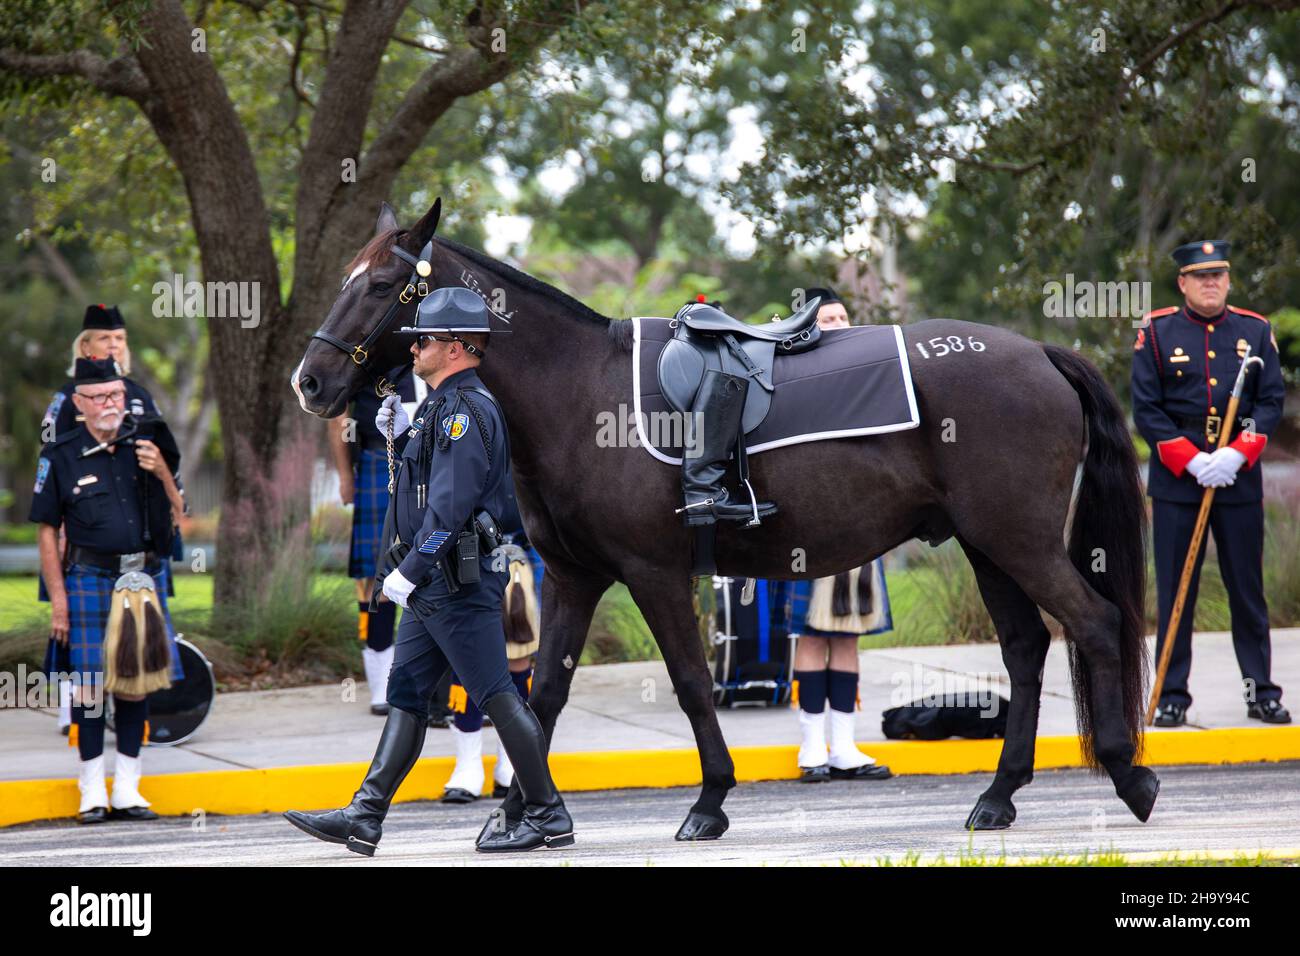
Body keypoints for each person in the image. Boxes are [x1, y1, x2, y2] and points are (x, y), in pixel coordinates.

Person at [284, 287, 573, 855]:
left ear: (460, 348)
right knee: (409, 695)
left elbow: (453, 502)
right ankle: (365, 816)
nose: (415, 345)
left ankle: (547, 812)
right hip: (434, 582)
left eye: (427, 339)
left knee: (495, 694)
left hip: (453, 578)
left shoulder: (467, 411)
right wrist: (398, 435)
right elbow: (422, 487)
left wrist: (410, 570)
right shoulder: (441, 407)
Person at [1131, 239, 1289, 727]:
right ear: (1183, 283)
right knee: (1178, 588)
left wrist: (1236, 454)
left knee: (1247, 589)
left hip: (1237, 482)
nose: (1211, 283)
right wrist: (1193, 460)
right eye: (1201, 276)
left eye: (1218, 274)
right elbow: (1147, 409)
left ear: (1228, 279)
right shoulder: (1157, 333)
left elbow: (1270, 403)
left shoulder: (1255, 331)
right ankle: (1173, 694)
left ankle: (1260, 691)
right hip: (1180, 485)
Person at [30, 358, 186, 823]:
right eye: (99, 397)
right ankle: (92, 789)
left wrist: (160, 471)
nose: (110, 404)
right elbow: (46, 531)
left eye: (116, 395)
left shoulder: (148, 443)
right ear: (79, 404)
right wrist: (58, 600)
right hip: (88, 580)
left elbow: (180, 510)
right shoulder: (60, 456)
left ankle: (129, 790)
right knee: (90, 691)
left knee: (136, 689)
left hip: (141, 581)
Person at [41, 304, 172, 736]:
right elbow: (57, 468)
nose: (114, 344)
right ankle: (71, 714)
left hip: (138, 532)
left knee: (137, 637)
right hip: (83, 533)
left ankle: (133, 722)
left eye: (119, 339)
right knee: (77, 636)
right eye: (104, 338)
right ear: (85, 345)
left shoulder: (138, 393)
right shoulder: (66, 398)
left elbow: (164, 452)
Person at [328, 364, 426, 715]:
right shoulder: (367, 351)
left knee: (436, 568)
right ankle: (380, 684)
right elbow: (335, 409)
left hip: (436, 461)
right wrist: (343, 474)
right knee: (377, 576)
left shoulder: (438, 342)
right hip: (378, 458)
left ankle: (431, 680)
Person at [784, 560, 894, 781]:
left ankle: (843, 749)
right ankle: (812, 748)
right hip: (810, 542)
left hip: (857, 539)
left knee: (848, 637)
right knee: (812, 637)